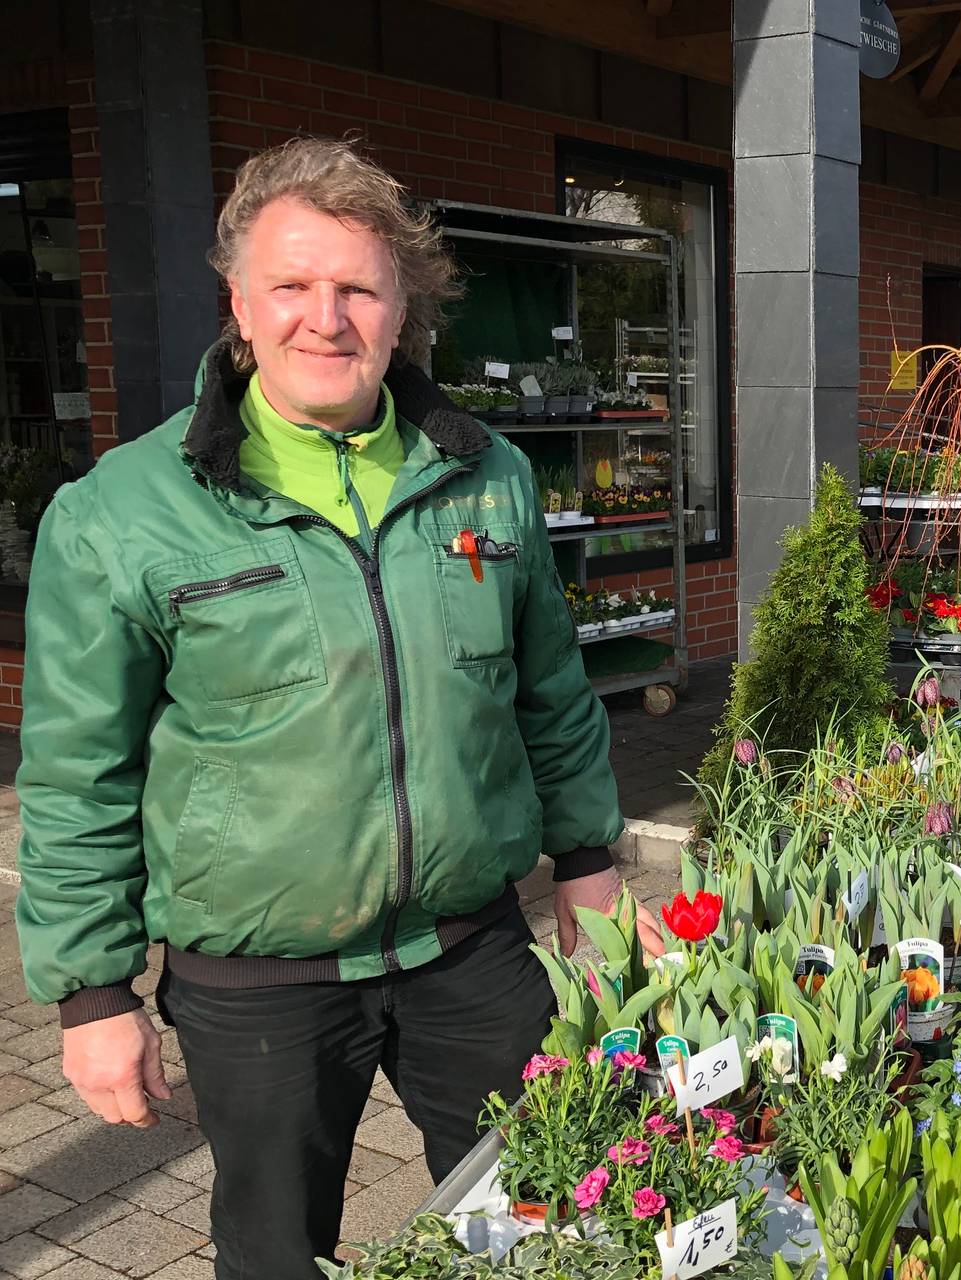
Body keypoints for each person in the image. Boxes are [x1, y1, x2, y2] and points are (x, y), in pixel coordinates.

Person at [16, 137, 661, 1279]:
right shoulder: (122, 512)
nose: (326, 318)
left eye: (358, 288)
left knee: (550, 1225)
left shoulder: (487, 476)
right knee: (273, 1257)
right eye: (292, 286)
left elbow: (551, 696)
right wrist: (92, 993)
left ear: (402, 307)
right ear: (239, 304)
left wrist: (588, 866)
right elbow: (79, 772)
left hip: (470, 949)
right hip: (258, 984)